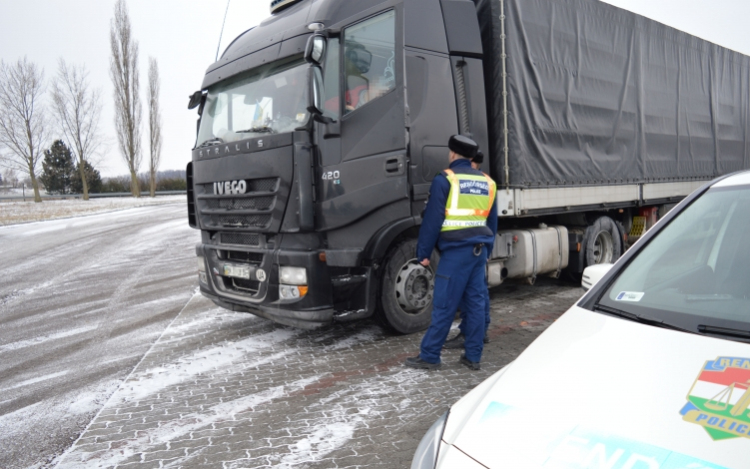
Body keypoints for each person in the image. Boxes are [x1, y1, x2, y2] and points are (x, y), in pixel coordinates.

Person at [404, 136, 498, 371]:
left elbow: (432, 221)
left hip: (455, 253)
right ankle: (473, 357)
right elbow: (492, 221)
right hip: (479, 251)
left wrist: (423, 253)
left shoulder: (445, 179)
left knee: (444, 304)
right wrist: (488, 250)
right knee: (476, 305)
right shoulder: (489, 182)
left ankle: (430, 356)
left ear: (452, 154)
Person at [445, 150, 492, 349]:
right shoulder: (486, 182)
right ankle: (479, 333)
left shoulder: (479, 183)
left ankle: (472, 334)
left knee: (472, 295)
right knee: (478, 293)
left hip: (470, 246)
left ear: (473, 163)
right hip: (479, 246)